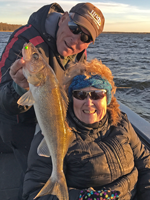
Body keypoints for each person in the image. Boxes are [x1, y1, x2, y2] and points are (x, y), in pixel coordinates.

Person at [22, 59, 150, 200]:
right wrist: (84, 197)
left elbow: (145, 164)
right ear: (71, 99)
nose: (88, 103)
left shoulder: (121, 122)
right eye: (80, 95)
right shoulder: (55, 132)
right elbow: (34, 193)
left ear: (106, 98)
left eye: (96, 95)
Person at [0, 2, 105, 174]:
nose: (75, 39)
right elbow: (3, 100)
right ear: (63, 18)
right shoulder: (25, 40)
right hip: (20, 125)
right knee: (33, 178)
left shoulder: (79, 53)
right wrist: (18, 88)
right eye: (74, 28)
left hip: (57, 122)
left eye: (85, 38)